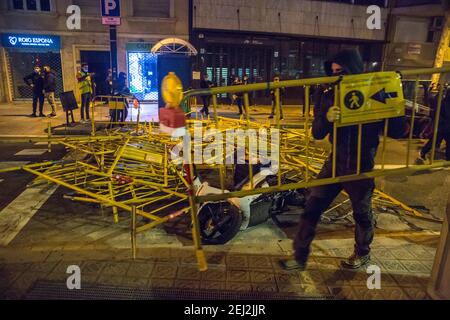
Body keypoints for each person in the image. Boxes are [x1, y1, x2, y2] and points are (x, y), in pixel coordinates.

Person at [280, 49, 408, 271]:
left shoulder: (376, 90)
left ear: (354, 69)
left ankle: (362, 253)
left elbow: (397, 131)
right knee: (311, 207)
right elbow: (317, 133)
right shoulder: (329, 94)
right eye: (333, 72)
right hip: (335, 163)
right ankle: (299, 256)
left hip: (361, 165)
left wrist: (395, 100)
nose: (337, 76)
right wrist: (328, 118)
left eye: (342, 71)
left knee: (362, 215)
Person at [416, 87, 450, 163]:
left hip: (444, 126)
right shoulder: (445, 103)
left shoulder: (444, 102)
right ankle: (422, 153)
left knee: (437, 141)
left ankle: (448, 159)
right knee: (435, 141)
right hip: (444, 126)